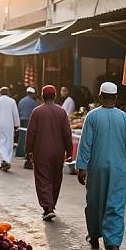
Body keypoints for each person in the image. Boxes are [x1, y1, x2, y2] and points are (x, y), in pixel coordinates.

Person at [76, 82, 126, 250]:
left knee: (94, 201)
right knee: (115, 204)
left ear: (100, 96)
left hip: (97, 167)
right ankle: (113, 245)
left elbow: (85, 143)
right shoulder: (124, 118)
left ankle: (94, 235)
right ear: (116, 98)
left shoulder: (92, 116)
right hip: (119, 168)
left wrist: (81, 167)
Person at [25, 85, 73, 222]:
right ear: (55, 96)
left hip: (41, 152)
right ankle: (51, 204)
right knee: (56, 179)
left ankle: (48, 207)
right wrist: (69, 152)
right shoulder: (61, 112)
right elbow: (67, 134)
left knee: (43, 179)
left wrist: (28, 150)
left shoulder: (37, 112)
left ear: (42, 96)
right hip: (58, 152)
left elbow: (31, 133)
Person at [0, 87, 20, 171]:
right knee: (9, 143)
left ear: (0, 93)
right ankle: (6, 160)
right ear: (8, 93)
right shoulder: (12, 101)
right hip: (9, 125)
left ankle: (4, 161)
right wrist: (17, 124)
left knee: (0, 143)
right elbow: (15, 114)